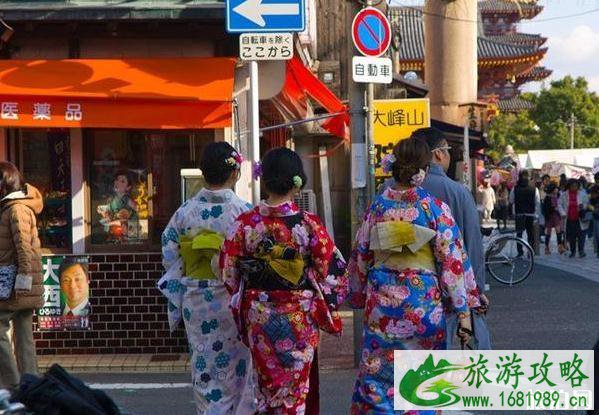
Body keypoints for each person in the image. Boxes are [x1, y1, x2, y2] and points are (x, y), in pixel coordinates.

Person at [347, 138, 477, 414]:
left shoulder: (378, 208)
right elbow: (452, 261)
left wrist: (357, 295)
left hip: (382, 305)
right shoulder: (434, 208)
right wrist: (462, 306)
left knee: (379, 377)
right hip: (423, 305)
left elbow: (360, 257)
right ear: (424, 169)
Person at [220, 147, 348, 414]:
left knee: (265, 390)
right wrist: (320, 297)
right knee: (295, 392)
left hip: (259, 316)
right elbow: (333, 271)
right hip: (299, 317)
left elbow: (229, 272)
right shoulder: (308, 224)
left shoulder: (245, 223)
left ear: (263, 180)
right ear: (297, 181)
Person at [159, 143, 255, 415]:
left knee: (204, 370)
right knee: (237, 370)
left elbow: (169, 252)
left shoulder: (185, 212)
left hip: (196, 299)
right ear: (235, 172)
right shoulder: (244, 213)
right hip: (230, 299)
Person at [0, 162, 43, 390]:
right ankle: (31, 384)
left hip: (15, 283)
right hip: (19, 282)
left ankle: (13, 384)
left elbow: (24, 248)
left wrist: (22, 282)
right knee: (24, 335)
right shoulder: (14, 206)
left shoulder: (16, 209)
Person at [509, 170, 541, 256]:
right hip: (530, 214)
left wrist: (511, 213)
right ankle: (530, 251)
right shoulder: (534, 189)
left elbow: (511, 201)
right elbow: (537, 202)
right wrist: (536, 215)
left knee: (519, 234)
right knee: (530, 234)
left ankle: (520, 252)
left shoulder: (515, 188)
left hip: (519, 214)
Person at [559, 179, 589, 258]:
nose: (574, 188)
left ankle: (581, 251)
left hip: (580, 219)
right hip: (569, 219)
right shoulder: (564, 195)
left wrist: (583, 206)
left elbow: (586, 203)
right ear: (569, 186)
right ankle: (573, 251)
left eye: (576, 186)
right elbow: (559, 204)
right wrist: (563, 213)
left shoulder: (582, 194)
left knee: (581, 236)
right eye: (572, 186)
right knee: (572, 237)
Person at [542, 183, 565, 255]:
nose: (557, 189)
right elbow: (545, 209)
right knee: (548, 232)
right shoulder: (547, 198)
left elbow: (559, 205)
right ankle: (546, 247)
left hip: (556, 216)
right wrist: (553, 208)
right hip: (549, 216)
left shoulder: (558, 196)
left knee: (558, 230)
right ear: (552, 190)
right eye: (555, 188)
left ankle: (560, 247)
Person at [589, 173, 599, 257]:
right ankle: (597, 249)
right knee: (597, 233)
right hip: (596, 214)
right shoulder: (593, 189)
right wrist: (594, 209)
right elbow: (590, 202)